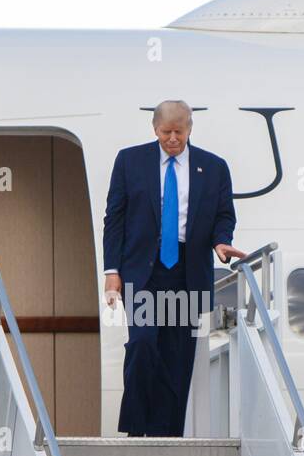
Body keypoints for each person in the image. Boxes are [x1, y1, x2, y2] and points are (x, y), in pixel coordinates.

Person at [103, 100, 245, 437]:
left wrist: (221, 241)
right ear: (154, 129)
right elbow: (115, 219)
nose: (172, 139)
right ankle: (137, 429)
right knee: (142, 344)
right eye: (166, 132)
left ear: (189, 129)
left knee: (176, 358)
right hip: (143, 270)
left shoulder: (213, 167)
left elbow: (224, 214)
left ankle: (166, 436)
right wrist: (112, 271)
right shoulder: (129, 161)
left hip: (187, 270)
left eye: (178, 132)